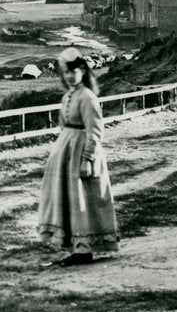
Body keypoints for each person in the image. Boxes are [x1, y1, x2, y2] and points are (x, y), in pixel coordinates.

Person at [36, 47, 119, 266]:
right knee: (69, 201)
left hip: (81, 154)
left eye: (75, 71)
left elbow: (95, 130)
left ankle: (84, 250)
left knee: (82, 200)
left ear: (83, 71)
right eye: (67, 72)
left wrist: (86, 159)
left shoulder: (87, 97)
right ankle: (75, 247)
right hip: (67, 155)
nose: (71, 76)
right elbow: (64, 126)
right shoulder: (68, 96)